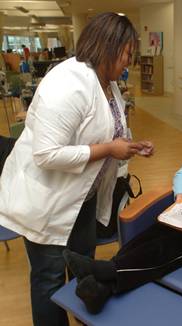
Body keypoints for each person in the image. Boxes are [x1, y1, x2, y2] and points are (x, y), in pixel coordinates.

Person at [0, 13, 154, 326]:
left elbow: (106, 130)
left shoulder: (107, 83)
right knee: (49, 278)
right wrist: (111, 149)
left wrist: (128, 146)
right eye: (127, 55)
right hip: (46, 201)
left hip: (82, 199)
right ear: (110, 47)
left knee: (83, 267)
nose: (129, 63)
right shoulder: (67, 83)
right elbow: (46, 154)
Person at [63, 99, 182, 314]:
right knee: (148, 237)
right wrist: (181, 195)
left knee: (166, 250)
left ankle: (100, 270)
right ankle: (101, 291)